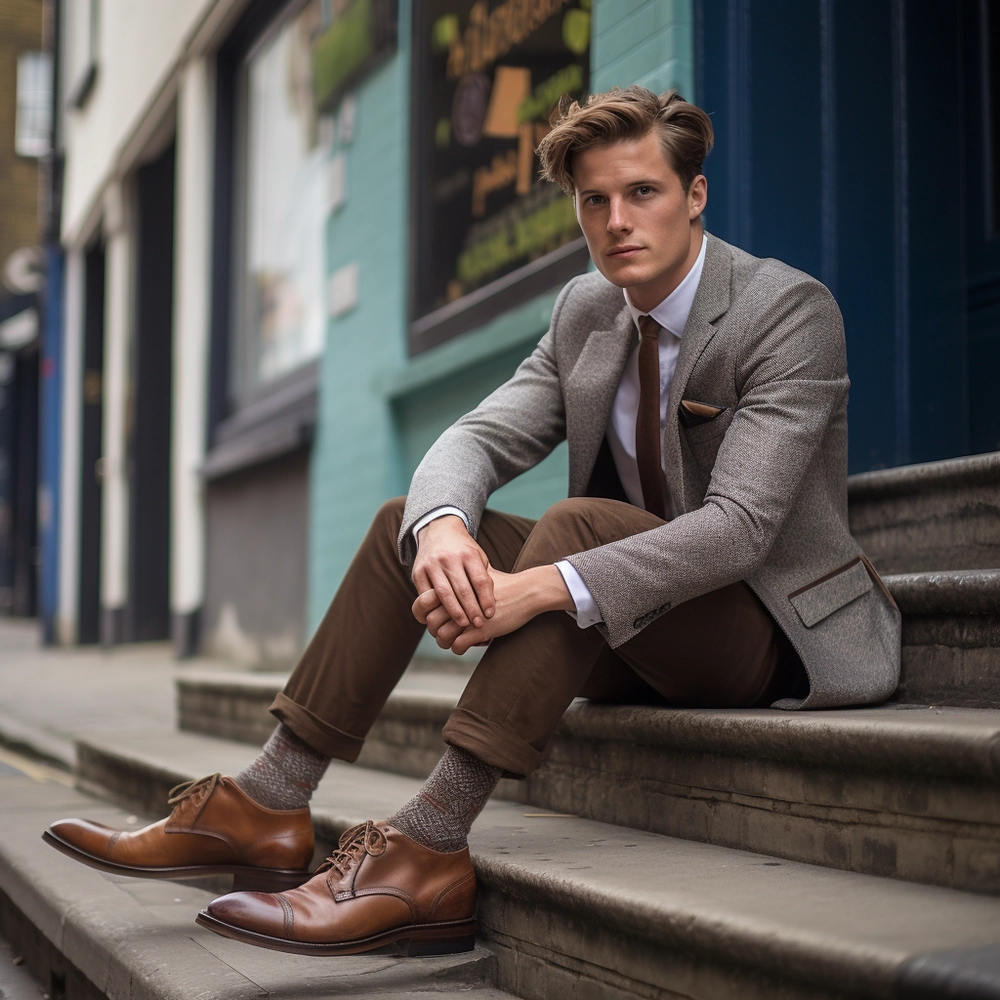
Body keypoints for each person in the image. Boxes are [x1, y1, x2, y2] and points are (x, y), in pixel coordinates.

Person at [44, 87, 900, 958]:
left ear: (695, 194)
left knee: (573, 528)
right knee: (401, 526)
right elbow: (480, 437)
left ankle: (427, 851)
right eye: (593, 201)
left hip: (760, 628)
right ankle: (266, 802)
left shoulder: (786, 311)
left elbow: (741, 528)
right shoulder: (586, 312)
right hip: (620, 626)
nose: (616, 221)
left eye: (641, 192)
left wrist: (533, 587)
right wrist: (448, 529)